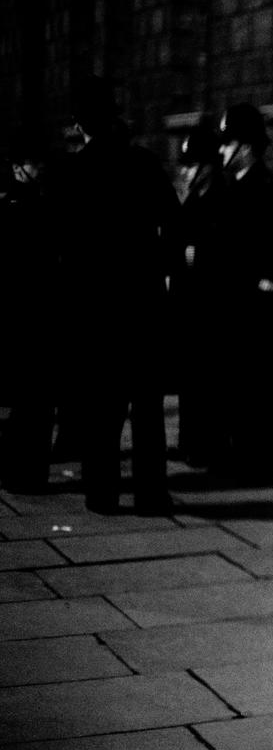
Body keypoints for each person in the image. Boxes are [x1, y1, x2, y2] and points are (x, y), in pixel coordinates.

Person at [59, 76, 179, 515]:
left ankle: (102, 493)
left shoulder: (72, 173)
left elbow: (60, 245)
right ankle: (151, 494)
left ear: (79, 125)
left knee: (102, 408)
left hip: (96, 308)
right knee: (147, 408)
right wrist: (158, 266)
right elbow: (177, 224)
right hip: (144, 304)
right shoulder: (143, 164)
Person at [209, 103, 273, 481]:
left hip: (258, 309)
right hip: (239, 305)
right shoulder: (237, 187)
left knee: (260, 388)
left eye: (228, 144)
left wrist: (269, 283)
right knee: (243, 387)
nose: (221, 151)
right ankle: (246, 455)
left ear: (246, 147)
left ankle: (261, 459)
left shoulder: (266, 189)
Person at [0, 130, 60, 493]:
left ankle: (25, 471)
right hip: (29, 316)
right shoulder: (21, 208)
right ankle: (25, 472)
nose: (39, 169)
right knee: (32, 402)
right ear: (19, 167)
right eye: (33, 163)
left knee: (32, 402)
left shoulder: (27, 205)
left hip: (31, 315)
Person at [169, 123, 225, 467]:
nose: (186, 172)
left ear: (208, 166)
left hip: (210, 303)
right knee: (191, 378)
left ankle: (206, 445)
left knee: (208, 381)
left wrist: (196, 254)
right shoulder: (191, 197)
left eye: (192, 165)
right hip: (190, 300)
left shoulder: (220, 197)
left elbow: (225, 248)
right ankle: (191, 441)